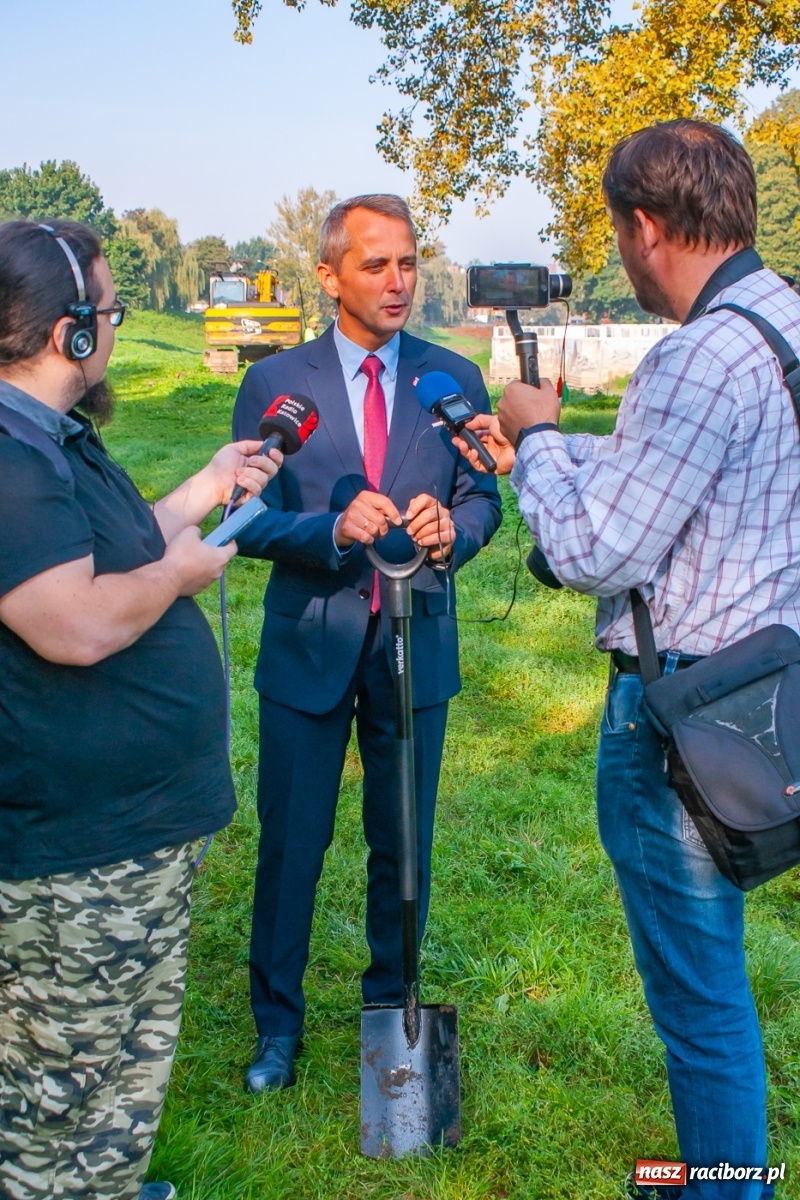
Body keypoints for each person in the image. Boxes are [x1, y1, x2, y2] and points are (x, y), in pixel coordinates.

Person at [455, 121, 800, 1199]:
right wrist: (559, 455)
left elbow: (592, 548)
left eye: (615, 233)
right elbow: (702, 473)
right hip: (770, 694)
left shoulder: (693, 354)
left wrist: (539, 439)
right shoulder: (780, 319)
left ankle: (721, 1184)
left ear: (646, 226)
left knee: (699, 998)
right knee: (714, 979)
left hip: (681, 723)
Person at [0, 219, 281, 1200]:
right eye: (108, 311)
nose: (113, 327)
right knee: (58, 1079)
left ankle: (106, 1187)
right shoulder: (8, 455)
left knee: (126, 1048)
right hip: (81, 848)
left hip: (132, 835)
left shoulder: (50, 440)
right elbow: (71, 622)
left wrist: (205, 490)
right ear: (68, 332)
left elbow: (114, 552)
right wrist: (179, 576)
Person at [232, 193, 501, 1092]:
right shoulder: (276, 383)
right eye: (376, 264)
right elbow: (246, 522)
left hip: (416, 641)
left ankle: (393, 1019)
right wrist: (332, 529)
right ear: (328, 275)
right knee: (291, 846)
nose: (398, 282)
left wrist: (448, 532)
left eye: (410, 262)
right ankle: (277, 1028)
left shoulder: (449, 379)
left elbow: (484, 501)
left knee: (405, 846)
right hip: (309, 646)